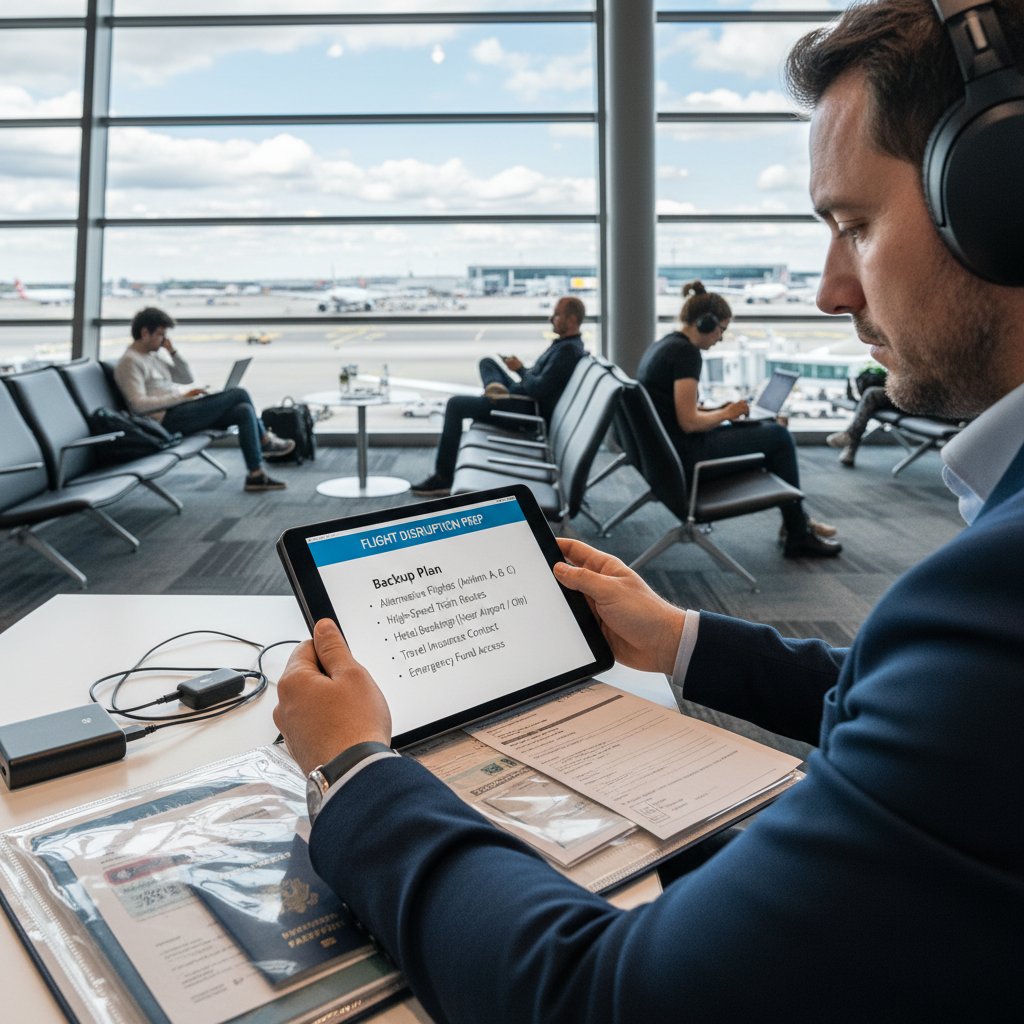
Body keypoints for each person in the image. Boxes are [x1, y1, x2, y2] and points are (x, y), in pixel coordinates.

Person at [273, 2, 1024, 1019]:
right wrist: (677, 637)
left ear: (1000, 196)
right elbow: (922, 712)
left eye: (852, 224)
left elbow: (605, 999)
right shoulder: (979, 613)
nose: (827, 290)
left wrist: (357, 772)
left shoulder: (993, 596)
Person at [637, 280, 841, 557]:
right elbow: (688, 422)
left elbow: (675, 412)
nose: (720, 338)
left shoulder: (665, 345)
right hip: (687, 457)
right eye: (721, 329)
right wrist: (726, 413)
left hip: (668, 453)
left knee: (767, 430)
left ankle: (796, 523)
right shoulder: (686, 354)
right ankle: (797, 531)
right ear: (706, 323)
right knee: (778, 437)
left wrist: (718, 410)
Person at [410, 296, 586, 497]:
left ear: (572, 320)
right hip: (520, 397)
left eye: (557, 314)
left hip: (523, 410)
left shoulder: (567, 351)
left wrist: (521, 370)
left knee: (455, 405)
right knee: (487, 362)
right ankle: (495, 391)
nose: (551, 318)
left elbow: (538, 390)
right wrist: (521, 370)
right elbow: (540, 383)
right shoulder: (566, 346)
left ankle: (444, 477)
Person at [114, 307, 295, 492]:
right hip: (166, 421)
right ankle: (265, 441)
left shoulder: (152, 356)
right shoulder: (130, 362)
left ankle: (255, 475)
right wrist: (181, 397)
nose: (163, 340)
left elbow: (186, 378)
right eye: (161, 334)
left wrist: (173, 353)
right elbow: (137, 405)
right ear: (145, 332)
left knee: (243, 411)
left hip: (180, 410)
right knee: (239, 393)